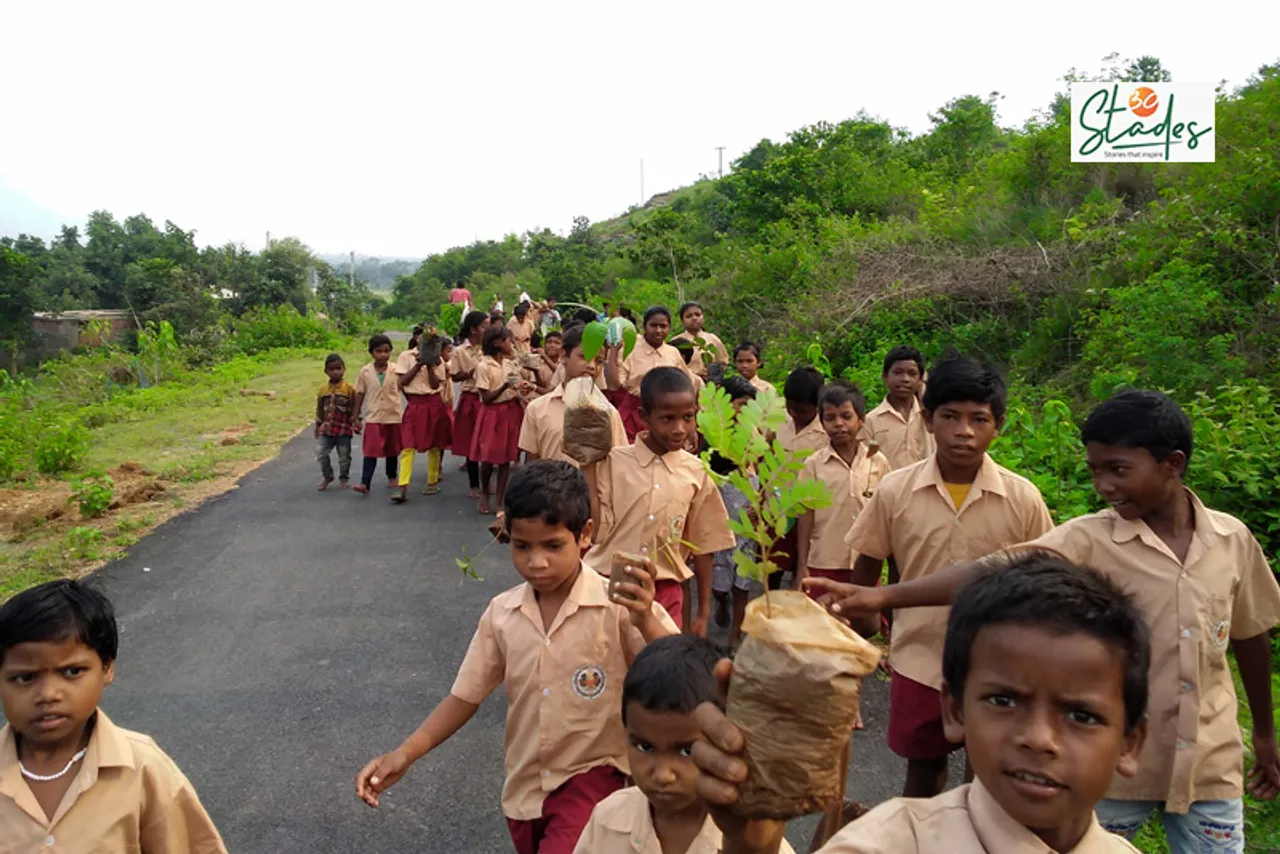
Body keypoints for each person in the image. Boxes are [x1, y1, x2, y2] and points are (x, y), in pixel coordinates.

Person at [821, 389, 1280, 853]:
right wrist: (880, 595)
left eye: (1118, 470)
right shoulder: (1089, 540)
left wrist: (1263, 732)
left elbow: (1250, 633)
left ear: (1173, 464)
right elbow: (996, 567)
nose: (1104, 486)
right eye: (1095, 470)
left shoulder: (1232, 541)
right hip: (1115, 772)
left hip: (1209, 765)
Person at [690, 555, 1153, 854]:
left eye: (1080, 715)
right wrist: (752, 842)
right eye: (1004, 700)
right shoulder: (880, 847)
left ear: (1130, 742)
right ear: (954, 710)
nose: (1038, 738)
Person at [355, 462, 677, 854]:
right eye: (523, 546)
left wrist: (645, 618)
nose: (536, 562)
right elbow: (465, 696)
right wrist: (404, 754)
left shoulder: (620, 607)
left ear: (585, 536)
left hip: (593, 784)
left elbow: (679, 670)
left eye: (552, 545)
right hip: (524, 791)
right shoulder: (502, 614)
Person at [836, 353, 1053, 800]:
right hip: (918, 658)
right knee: (923, 775)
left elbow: (1047, 585)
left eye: (979, 418)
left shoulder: (1023, 499)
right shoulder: (895, 491)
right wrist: (858, 633)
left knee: (989, 778)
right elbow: (865, 574)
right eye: (950, 417)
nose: (964, 431)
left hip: (1000, 665)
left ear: (999, 425)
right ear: (928, 420)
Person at [0, 580, 229, 852]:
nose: (48, 694)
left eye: (72, 672)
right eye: (25, 677)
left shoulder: (143, 767)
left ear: (107, 668)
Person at [572, 635, 796, 854]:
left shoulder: (756, 842)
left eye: (687, 751)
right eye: (645, 747)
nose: (662, 775)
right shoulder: (607, 819)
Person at [586, 368, 735, 634]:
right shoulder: (611, 463)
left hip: (665, 594)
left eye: (688, 418)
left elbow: (704, 544)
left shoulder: (696, 472)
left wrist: (702, 612)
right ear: (644, 417)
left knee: (659, 669)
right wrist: (586, 467)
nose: (680, 429)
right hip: (606, 587)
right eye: (667, 419)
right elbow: (592, 528)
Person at [794, 382, 892, 595]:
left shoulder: (877, 462)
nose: (839, 424)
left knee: (863, 624)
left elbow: (887, 513)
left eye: (846, 416)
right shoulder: (813, 465)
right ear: (822, 422)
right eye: (830, 418)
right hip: (824, 560)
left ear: (861, 421)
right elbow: (806, 514)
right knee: (825, 623)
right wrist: (802, 564)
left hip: (865, 561)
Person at [706, 376, 764, 649]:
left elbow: (759, 469)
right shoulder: (709, 431)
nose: (745, 412)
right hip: (717, 503)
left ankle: (734, 639)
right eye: (742, 405)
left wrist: (759, 502)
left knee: (742, 581)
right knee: (719, 583)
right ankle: (721, 600)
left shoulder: (752, 433)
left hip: (745, 504)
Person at [519, 325, 628, 466]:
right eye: (584, 357)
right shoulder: (537, 408)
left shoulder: (609, 413)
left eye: (599, 361)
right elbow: (532, 462)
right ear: (564, 356)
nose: (592, 366)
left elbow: (617, 464)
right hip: (550, 487)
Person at [605, 306, 691, 441]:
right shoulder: (629, 349)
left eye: (663, 326)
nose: (658, 330)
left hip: (667, 416)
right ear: (645, 326)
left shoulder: (673, 353)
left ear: (669, 328)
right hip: (634, 413)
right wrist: (613, 352)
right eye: (653, 325)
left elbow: (686, 385)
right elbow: (615, 385)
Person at [472, 325, 534, 515]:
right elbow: (486, 398)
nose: (511, 344)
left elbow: (515, 388)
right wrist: (505, 386)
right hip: (492, 413)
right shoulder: (484, 366)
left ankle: (499, 500)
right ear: (497, 343)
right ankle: (484, 493)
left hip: (509, 411)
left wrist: (521, 390)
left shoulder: (509, 364)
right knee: (488, 457)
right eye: (508, 341)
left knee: (506, 458)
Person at [391, 331, 452, 502]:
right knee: (408, 445)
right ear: (416, 340)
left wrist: (430, 365)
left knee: (433, 443)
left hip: (433, 402)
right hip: (415, 403)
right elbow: (403, 382)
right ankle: (403, 486)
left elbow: (434, 384)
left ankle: (431, 482)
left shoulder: (437, 359)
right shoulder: (406, 356)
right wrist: (418, 365)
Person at [860, 346, 934, 470]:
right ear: (885, 377)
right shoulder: (872, 421)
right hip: (888, 488)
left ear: (920, 379)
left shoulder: (929, 417)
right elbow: (867, 462)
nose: (905, 379)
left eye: (912, 373)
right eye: (898, 372)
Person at [352, 334, 402, 495]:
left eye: (386, 351)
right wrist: (355, 416)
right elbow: (359, 393)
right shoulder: (365, 371)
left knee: (392, 448)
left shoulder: (396, 370)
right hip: (374, 416)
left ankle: (392, 475)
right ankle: (365, 483)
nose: (383, 355)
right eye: (379, 351)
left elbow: (406, 389)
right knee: (371, 450)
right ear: (371, 353)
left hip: (393, 414)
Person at [450, 311, 490, 499]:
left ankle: (486, 481)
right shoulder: (459, 351)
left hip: (488, 397)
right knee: (470, 441)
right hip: (470, 396)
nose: (487, 330)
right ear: (473, 330)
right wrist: (472, 372)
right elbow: (455, 376)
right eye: (484, 326)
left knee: (487, 440)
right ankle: (474, 483)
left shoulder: (489, 349)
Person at [315, 353, 356, 490]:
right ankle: (328, 476)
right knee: (321, 453)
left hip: (344, 429)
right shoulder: (323, 390)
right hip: (326, 429)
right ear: (326, 371)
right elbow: (319, 409)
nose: (335, 372)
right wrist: (317, 425)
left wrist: (356, 422)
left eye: (338, 368)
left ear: (344, 369)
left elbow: (354, 407)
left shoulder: (349, 389)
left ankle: (344, 478)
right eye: (331, 369)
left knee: (344, 457)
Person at [670, 302, 729, 380]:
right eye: (688, 316)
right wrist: (694, 374)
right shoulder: (676, 342)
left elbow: (723, 361)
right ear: (682, 321)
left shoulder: (713, 339)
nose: (694, 318)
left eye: (698, 315)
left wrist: (713, 374)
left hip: (710, 385)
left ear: (703, 317)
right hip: (686, 383)